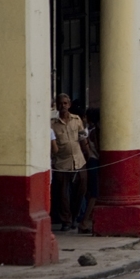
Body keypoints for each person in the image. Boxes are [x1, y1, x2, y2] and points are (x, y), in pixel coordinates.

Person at [50, 94, 90, 232]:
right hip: (61, 162)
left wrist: (88, 154)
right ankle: (66, 221)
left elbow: (83, 138)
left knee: (81, 190)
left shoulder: (77, 120)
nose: (63, 106)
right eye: (60, 103)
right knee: (63, 195)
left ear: (69, 104)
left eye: (65, 103)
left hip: (79, 161)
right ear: (57, 105)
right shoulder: (52, 124)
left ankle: (74, 217)